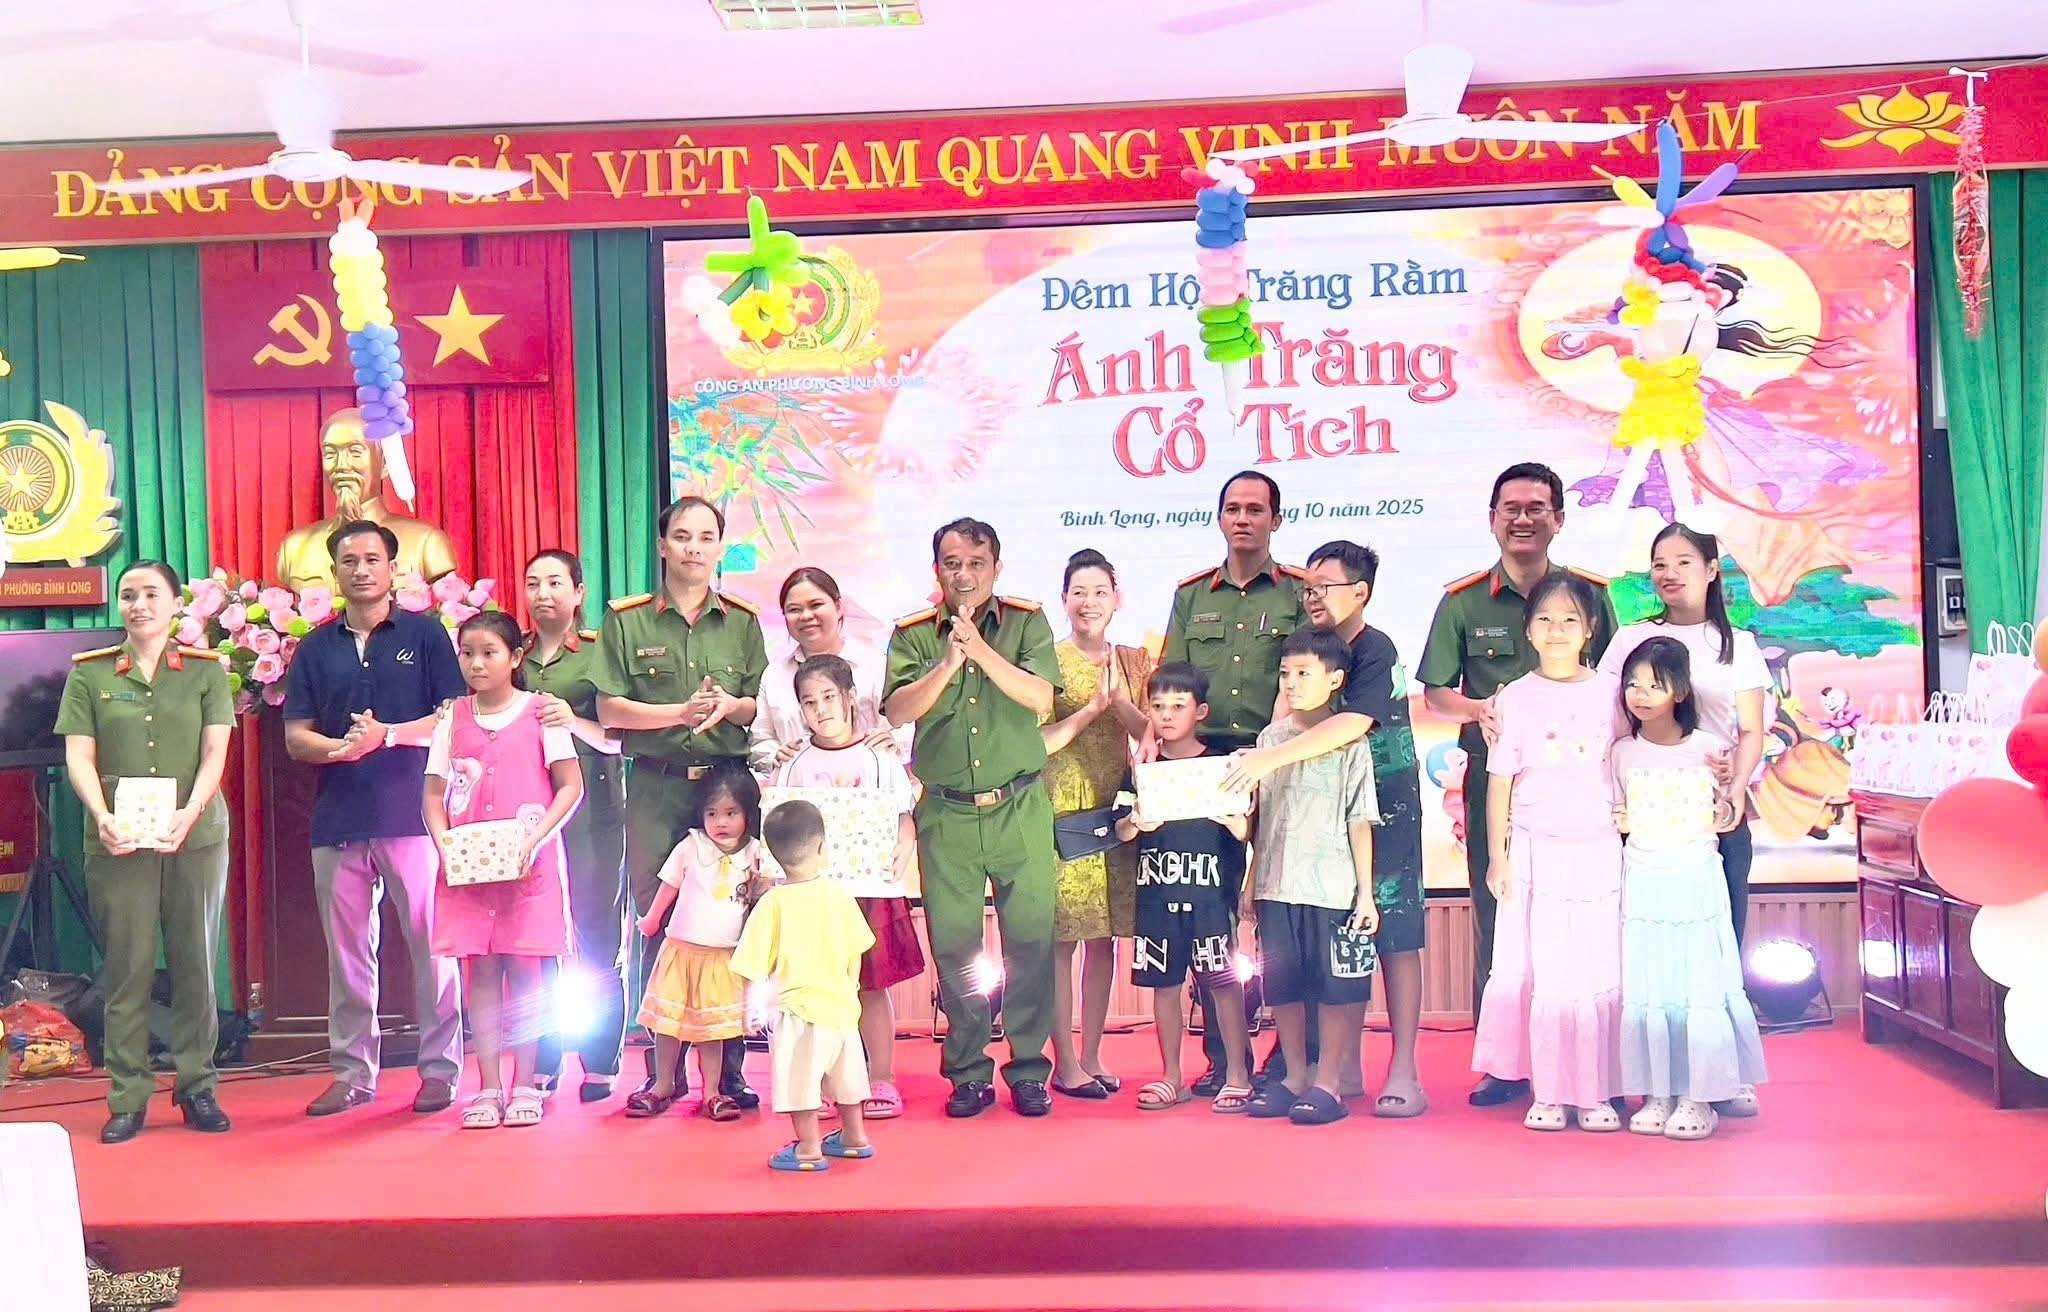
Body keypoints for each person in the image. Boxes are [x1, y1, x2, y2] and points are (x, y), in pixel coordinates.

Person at [1417, 462, 1617, 1108]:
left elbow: (1619, 687)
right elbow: (1436, 692)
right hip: (1497, 784)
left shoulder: (1592, 595)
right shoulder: (1464, 601)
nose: (1523, 519)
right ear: (1492, 518)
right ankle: (1506, 1064)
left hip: (1585, 795)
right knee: (1499, 912)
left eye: (1537, 508)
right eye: (1511, 508)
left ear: (1558, 518)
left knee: (1591, 921)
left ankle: (1596, 1060)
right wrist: (1482, 710)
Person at [1220, 539, 1426, 1117]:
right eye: (1306, 588)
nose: (1312, 597)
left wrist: (1268, 759)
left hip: (1383, 805)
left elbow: (1353, 724)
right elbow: (1281, 724)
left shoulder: (1374, 648)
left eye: (1325, 587)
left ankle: (1404, 1069)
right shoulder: (1306, 649)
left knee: (1393, 934)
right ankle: (1337, 1070)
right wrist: (1260, 765)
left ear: (1360, 593)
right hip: (1308, 824)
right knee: (1326, 952)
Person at [282, 520, 467, 1117]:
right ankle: (353, 1073)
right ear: (334, 572)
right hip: (338, 819)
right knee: (348, 957)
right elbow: (296, 737)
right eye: (348, 561)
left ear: (393, 569)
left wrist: (386, 736)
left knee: (432, 949)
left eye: (371, 559)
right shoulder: (315, 647)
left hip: (414, 814)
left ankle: (440, 1070)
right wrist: (340, 750)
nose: (360, 569)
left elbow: (454, 719)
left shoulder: (426, 634)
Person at [884, 517, 1061, 1119]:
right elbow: (897, 711)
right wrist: (946, 664)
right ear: (937, 569)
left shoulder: (1026, 622)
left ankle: (1030, 1069)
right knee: (957, 946)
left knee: (1030, 942)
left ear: (996, 568)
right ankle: (967, 1072)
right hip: (948, 814)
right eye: (952, 563)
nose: (964, 574)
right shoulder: (913, 634)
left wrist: (980, 652)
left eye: (976, 563)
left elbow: (1041, 698)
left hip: (1020, 806)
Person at [597, 496, 768, 1108]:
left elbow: (758, 705)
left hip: (727, 787)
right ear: (662, 545)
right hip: (657, 785)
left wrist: (730, 707)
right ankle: (660, 1072)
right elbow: (609, 710)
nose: (694, 547)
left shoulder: (743, 622)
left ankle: (729, 1074)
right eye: (683, 536)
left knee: (733, 925)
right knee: (657, 921)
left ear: (720, 548)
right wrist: (681, 713)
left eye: (706, 537)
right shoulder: (627, 620)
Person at [57, 562, 236, 1144]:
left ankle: (197, 1086)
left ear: (176, 603)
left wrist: (191, 811)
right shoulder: (90, 674)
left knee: (195, 964)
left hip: (195, 836)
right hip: (119, 839)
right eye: (128, 595)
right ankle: (128, 1096)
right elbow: (79, 755)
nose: (138, 605)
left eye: (151, 594)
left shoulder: (205, 671)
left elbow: (215, 753)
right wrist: (101, 815)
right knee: (126, 968)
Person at [1596, 523, 1767, 1119]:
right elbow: (1605, 718)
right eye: (1659, 563)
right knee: (1652, 948)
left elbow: (1751, 729)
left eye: (1683, 562)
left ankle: (1722, 1072)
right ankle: (1660, 1076)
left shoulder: (1736, 644)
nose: (1669, 574)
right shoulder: (1632, 639)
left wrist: (1736, 788)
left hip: (1712, 809)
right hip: (1645, 814)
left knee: (1717, 942)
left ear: (1712, 569)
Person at [1159, 470, 1310, 1096]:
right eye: (1233, 509)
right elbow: (1172, 679)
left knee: (1279, 907)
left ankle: (1291, 1058)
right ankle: (1224, 1058)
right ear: (1220, 518)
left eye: (1255, 509)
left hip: (1280, 757)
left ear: (1277, 519)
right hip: (1206, 766)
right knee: (1211, 915)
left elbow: (1309, 674)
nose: (1243, 518)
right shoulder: (1193, 594)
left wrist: (1271, 749)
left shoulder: (1298, 591)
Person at [1469, 574, 1625, 1134]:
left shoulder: (1613, 692)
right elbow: (1499, 784)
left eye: (1569, 621)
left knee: (1594, 970)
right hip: (1535, 853)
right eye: (1545, 620)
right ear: (1528, 630)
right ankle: (1550, 1090)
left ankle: (1598, 1089)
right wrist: (1497, 856)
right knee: (1544, 972)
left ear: (1590, 630)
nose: (1557, 631)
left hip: (1600, 850)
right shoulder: (1513, 697)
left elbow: (1630, 759)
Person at [423, 612, 586, 1130]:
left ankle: (525, 1083)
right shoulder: (452, 719)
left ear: (515, 657)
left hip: (528, 870)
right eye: (468, 653)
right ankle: (488, 1086)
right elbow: (433, 794)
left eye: (489, 652)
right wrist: (444, 844)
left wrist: (536, 839)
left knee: (527, 971)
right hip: (469, 872)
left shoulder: (541, 714)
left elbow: (570, 786)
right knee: (481, 973)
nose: (477, 663)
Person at [766, 654, 924, 1119]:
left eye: (829, 697)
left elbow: (904, 816)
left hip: (869, 891)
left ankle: (881, 1078)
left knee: (870, 985)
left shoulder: (880, 758)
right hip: (813, 897)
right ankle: (820, 1082)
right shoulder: (793, 764)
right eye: (809, 702)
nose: (821, 710)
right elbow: (779, 827)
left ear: (851, 697)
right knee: (816, 988)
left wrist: (906, 838)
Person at [1244, 629, 1382, 1126]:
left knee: (1334, 986)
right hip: (1275, 883)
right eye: (1286, 673)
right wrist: (1251, 881)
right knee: (1282, 984)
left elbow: (1360, 819)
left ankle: (1329, 1083)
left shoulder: (1350, 743)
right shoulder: (1268, 741)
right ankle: (1294, 1075)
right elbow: (1261, 817)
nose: (1293, 683)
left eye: (1304, 673)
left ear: (1335, 679)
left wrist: (1365, 894)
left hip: (1332, 886)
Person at [1114, 663, 1253, 1113]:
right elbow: (1119, 827)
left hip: (1210, 896)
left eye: (1178, 706)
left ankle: (1237, 1074)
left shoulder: (1223, 762)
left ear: (1201, 711)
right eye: (1158, 706)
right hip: (1156, 896)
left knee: (1224, 984)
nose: (1167, 715)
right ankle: (1172, 1076)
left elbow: (1247, 828)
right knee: (1164, 986)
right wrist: (1135, 823)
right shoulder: (1142, 768)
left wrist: (1238, 825)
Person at [1040, 549, 1150, 1099]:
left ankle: (1092, 1054)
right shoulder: (1046, 661)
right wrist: (1088, 710)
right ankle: (1064, 1061)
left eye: (1100, 592)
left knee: (1104, 939)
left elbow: (1150, 733)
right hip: (1062, 808)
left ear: (1117, 599)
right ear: (1064, 600)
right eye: (1079, 593)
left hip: (1117, 808)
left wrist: (1117, 700)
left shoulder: (1134, 661)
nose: (1089, 602)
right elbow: (1036, 741)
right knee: (1063, 940)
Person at [522, 550, 631, 1104]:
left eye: (555, 583)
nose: (543, 594)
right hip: (528, 809)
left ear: (579, 592)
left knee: (595, 931)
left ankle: (601, 1059)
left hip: (594, 809)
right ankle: (544, 1058)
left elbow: (621, 736)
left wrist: (573, 720)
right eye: (533, 583)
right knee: (536, 935)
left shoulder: (597, 652)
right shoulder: (512, 655)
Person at [732, 800, 879, 1172]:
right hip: (841, 1008)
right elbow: (857, 950)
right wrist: (849, 989)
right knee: (848, 1077)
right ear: (822, 847)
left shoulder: (772, 904)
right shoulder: (839, 895)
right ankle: (855, 1136)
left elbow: (751, 964)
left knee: (800, 1081)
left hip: (797, 1011)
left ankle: (809, 1148)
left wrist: (750, 1009)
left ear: (773, 854)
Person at [627, 763, 771, 1120]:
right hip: (681, 951)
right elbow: (669, 885)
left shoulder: (755, 854)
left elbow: (763, 900)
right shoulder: (691, 845)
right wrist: (652, 919)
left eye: (731, 813)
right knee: (668, 1024)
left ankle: (712, 1092)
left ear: (747, 813)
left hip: (724, 958)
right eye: (712, 813)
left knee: (712, 1031)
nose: (721, 822)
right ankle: (663, 1084)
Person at [750, 566, 899, 770]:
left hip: (868, 784)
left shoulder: (875, 664)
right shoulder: (775, 675)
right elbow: (762, 739)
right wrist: (774, 756)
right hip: (798, 786)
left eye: (816, 605)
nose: (806, 616)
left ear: (838, 607)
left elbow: (905, 727)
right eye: (794, 609)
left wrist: (894, 741)